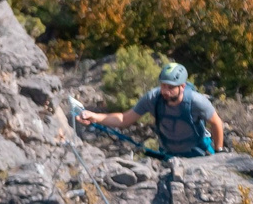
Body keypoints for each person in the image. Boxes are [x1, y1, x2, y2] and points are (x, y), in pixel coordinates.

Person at [78, 61, 225, 155]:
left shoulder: (196, 101)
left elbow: (216, 123)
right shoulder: (153, 98)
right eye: (163, 85)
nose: (165, 91)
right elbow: (123, 119)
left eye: (171, 87)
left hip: (198, 151)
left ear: (182, 86)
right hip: (169, 154)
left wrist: (218, 151)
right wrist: (94, 117)